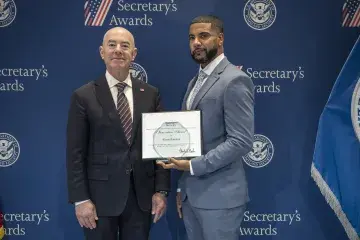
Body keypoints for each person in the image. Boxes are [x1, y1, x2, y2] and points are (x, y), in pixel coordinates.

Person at [66, 27, 170, 240]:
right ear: (102, 52)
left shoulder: (151, 94)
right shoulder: (83, 95)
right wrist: (80, 199)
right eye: (112, 45)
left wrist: (161, 190)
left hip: (141, 199)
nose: (118, 50)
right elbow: (75, 153)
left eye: (125, 46)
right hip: (98, 200)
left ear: (134, 54)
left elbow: (161, 146)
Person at [157, 15, 254, 240]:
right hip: (193, 197)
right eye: (192, 38)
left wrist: (193, 166)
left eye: (203, 36)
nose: (196, 42)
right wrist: (183, 186)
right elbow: (189, 143)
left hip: (220, 199)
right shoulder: (194, 83)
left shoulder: (234, 80)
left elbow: (241, 141)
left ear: (220, 39)